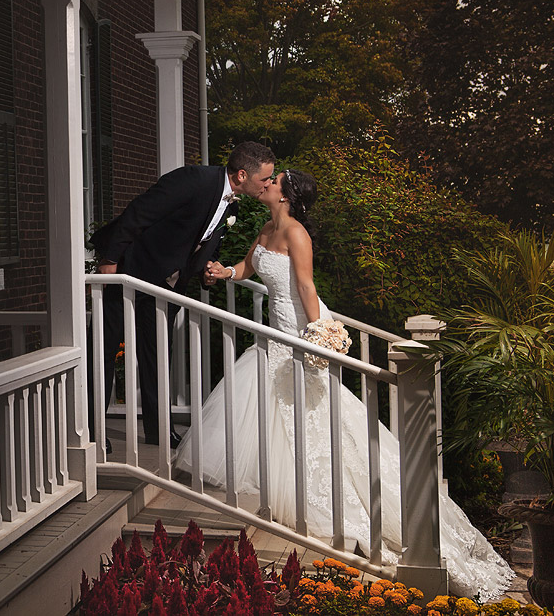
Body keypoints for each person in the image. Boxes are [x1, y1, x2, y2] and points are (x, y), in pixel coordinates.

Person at [179, 168, 514, 600]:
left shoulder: (297, 234)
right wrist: (228, 272)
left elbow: (304, 285)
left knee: (321, 421)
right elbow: (251, 264)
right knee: (274, 417)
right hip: (274, 339)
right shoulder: (265, 227)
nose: (267, 183)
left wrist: (323, 337)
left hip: (299, 331)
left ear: (286, 195)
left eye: (275, 180)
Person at [88, 141, 276, 445]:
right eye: (265, 178)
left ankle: (159, 431)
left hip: (168, 286)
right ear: (242, 175)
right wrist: (110, 261)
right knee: (105, 348)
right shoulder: (193, 179)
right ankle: (93, 430)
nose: (267, 184)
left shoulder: (232, 204)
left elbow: (196, 240)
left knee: (158, 356)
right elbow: (140, 212)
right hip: (130, 272)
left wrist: (204, 272)